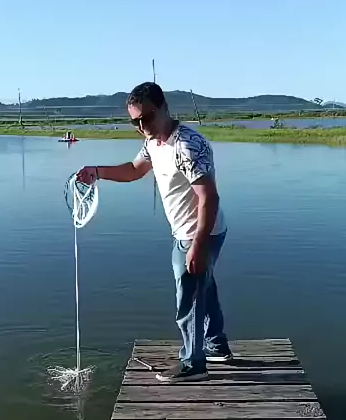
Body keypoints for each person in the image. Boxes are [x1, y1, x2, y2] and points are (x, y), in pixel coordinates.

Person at [76, 81, 231, 383]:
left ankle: (193, 364)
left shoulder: (186, 145)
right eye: (135, 121)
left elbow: (209, 198)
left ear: (163, 108)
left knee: (188, 297)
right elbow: (134, 170)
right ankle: (216, 346)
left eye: (146, 117)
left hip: (199, 232)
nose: (141, 126)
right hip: (190, 231)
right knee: (204, 287)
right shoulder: (153, 143)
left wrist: (197, 245)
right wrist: (97, 172)